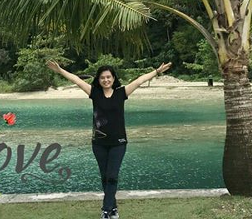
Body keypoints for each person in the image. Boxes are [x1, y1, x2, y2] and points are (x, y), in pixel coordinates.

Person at [47, 60, 172, 219]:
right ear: (98, 80)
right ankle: (113, 209)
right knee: (105, 177)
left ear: (113, 78)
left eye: (108, 77)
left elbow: (139, 81)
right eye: (102, 77)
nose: (106, 80)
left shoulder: (121, 93)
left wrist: (157, 71)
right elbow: (76, 80)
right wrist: (60, 70)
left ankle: (106, 211)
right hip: (99, 144)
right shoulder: (94, 93)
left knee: (112, 176)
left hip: (118, 143)